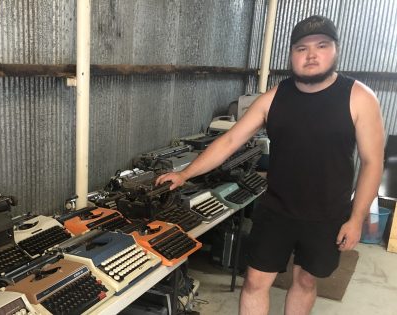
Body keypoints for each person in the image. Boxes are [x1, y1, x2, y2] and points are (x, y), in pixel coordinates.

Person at [155, 15, 384, 315]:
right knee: (254, 282)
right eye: (302, 48)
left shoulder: (359, 98)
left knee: (304, 281)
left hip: (327, 215)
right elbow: (228, 142)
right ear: (291, 54)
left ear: (335, 50)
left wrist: (356, 219)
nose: (312, 55)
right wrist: (184, 174)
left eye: (321, 46)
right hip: (277, 210)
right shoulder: (273, 99)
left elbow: (372, 162)